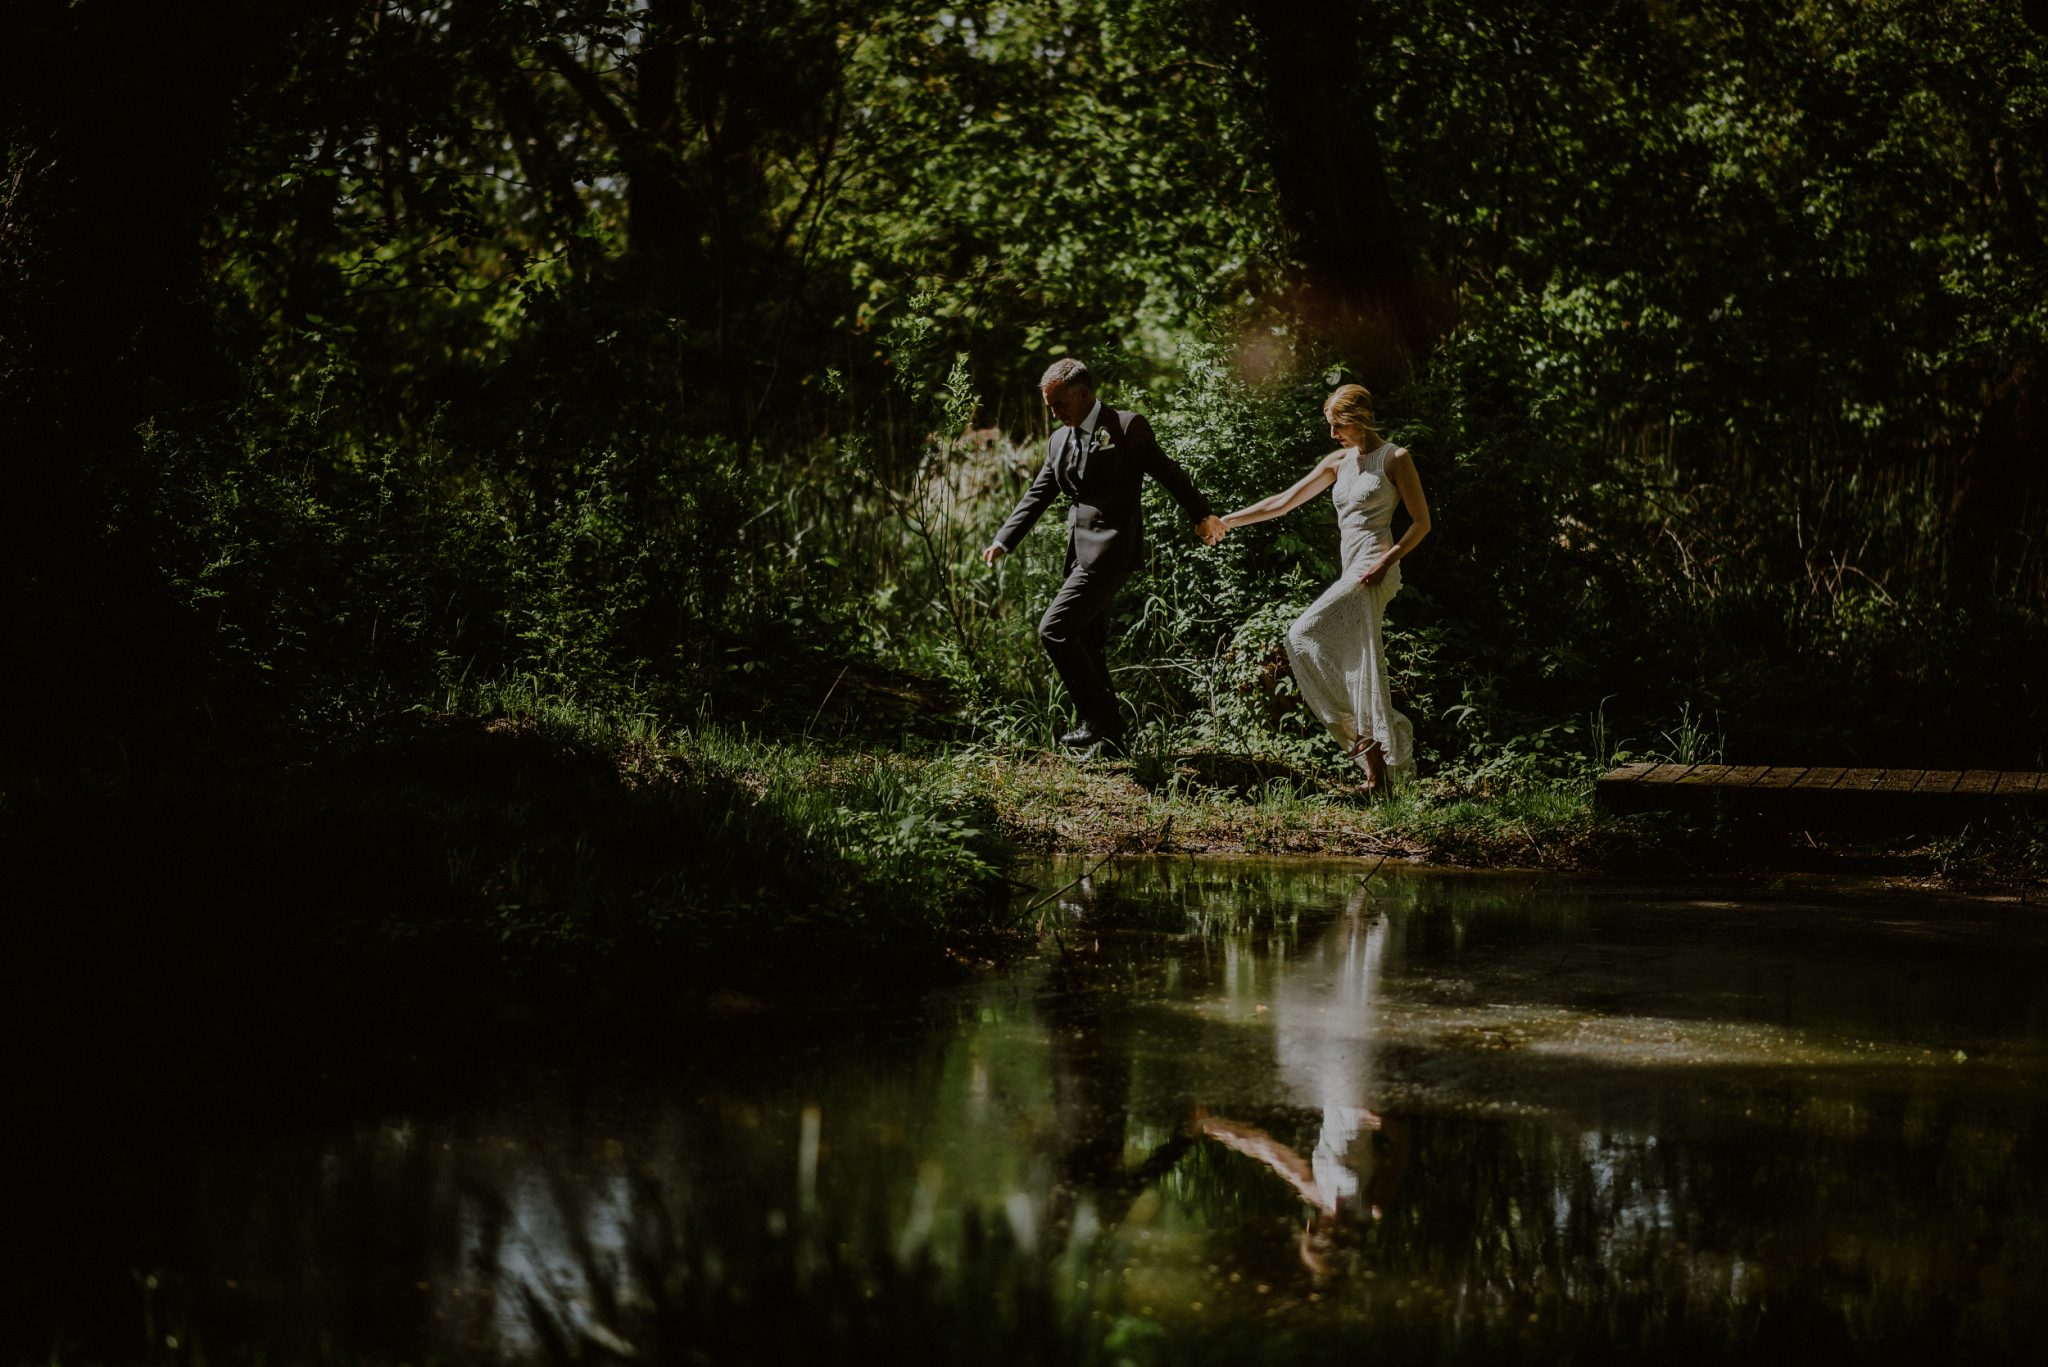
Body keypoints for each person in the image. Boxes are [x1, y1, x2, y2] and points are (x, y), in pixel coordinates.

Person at [983, 358, 1226, 752]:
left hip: (1112, 550)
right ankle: (1111, 739)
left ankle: (1099, 720)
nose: (1054, 412)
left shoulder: (1126, 426)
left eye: (1059, 403)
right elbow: (1038, 494)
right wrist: (1004, 540)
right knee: (1088, 641)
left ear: (1083, 393)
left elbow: (1168, 471)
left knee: (1055, 629)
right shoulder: (1059, 441)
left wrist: (1201, 515)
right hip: (1077, 555)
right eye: (1049, 406)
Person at [1220, 384, 1430, 792]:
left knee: (1300, 633)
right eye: (1330, 426)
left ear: (1360, 418)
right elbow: (1283, 501)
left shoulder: (1396, 458)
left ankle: (1377, 751)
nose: (1333, 434)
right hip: (1350, 567)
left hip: (1375, 565)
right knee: (1356, 663)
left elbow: (1421, 523)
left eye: (1338, 425)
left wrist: (1386, 561)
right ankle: (1377, 774)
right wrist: (1228, 521)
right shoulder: (1337, 461)